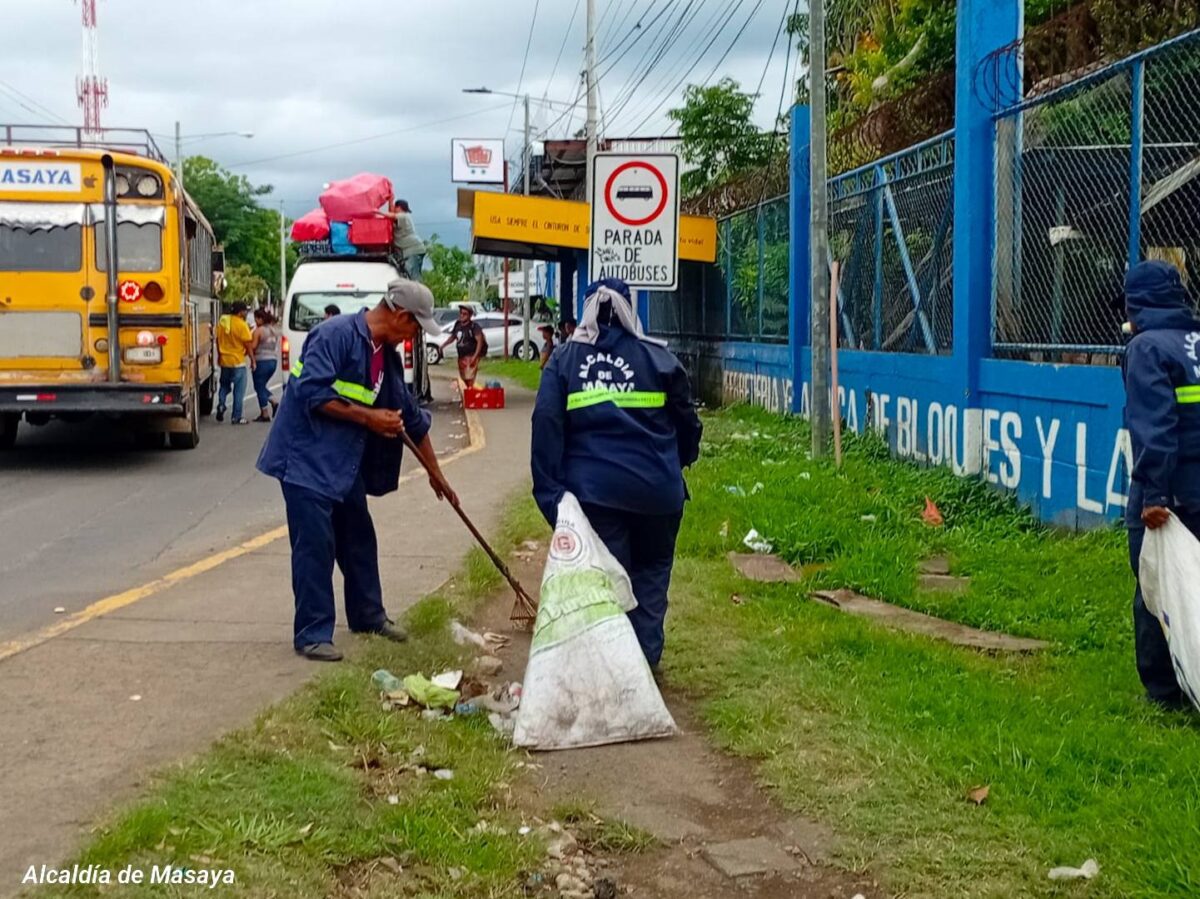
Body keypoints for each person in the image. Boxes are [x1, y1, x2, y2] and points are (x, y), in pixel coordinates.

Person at [257, 279, 456, 662]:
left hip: (341, 465)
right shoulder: (333, 336)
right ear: (400, 316)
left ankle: (368, 616)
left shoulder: (387, 355)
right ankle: (313, 634)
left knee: (359, 538)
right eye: (415, 327)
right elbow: (312, 394)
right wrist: (370, 418)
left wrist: (437, 475)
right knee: (316, 546)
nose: (414, 336)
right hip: (305, 460)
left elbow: (412, 420)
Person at [531, 278, 702, 670]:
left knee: (608, 584)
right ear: (630, 308)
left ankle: (613, 674)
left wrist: (551, 495)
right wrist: (676, 464)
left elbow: (546, 424)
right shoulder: (659, 358)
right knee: (651, 578)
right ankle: (643, 666)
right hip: (658, 495)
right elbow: (688, 424)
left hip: (595, 498)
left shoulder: (564, 360)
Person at [1122, 259, 1200, 710]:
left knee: (1156, 586)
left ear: (1138, 303)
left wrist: (1153, 495)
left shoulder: (1146, 348)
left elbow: (1154, 425)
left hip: (1168, 494)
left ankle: (1167, 691)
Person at [216, 301, 255, 425]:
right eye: (245, 311)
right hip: (238, 362)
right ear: (240, 312)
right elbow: (248, 345)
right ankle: (236, 417)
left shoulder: (223, 323)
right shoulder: (242, 325)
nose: (246, 313)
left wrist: (219, 356)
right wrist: (253, 360)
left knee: (224, 386)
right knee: (239, 390)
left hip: (225, 361)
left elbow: (217, 340)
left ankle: (221, 404)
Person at [250, 309, 281, 422]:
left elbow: (253, 347)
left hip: (261, 361)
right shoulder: (273, 330)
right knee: (261, 386)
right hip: (273, 361)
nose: (255, 321)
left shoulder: (259, 331)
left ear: (260, 319)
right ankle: (272, 404)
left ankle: (266, 412)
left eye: (256, 318)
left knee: (259, 386)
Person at [442, 304, 484, 388]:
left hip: (470, 356)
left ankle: (469, 396)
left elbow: (480, 341)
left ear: (470, 315)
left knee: (469, 378)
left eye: (465, 314)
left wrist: (475, 357)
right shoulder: (458, 325)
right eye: (461, 313)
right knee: (463, 377)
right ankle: (467, 394)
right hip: (461, 356)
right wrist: (443, 345)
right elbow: (453, 337)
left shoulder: (474, 327)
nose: (462, 315)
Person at [386, 199, 427, 282]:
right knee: (410, 274)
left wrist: (375, 212)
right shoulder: (401, 219)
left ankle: (417, 293)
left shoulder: (403, 216)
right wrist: (390, 202)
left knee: (412, 274)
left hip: (413, 250)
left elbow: (391, 215)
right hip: (415, 249)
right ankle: (416, 291)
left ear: (398, 208)